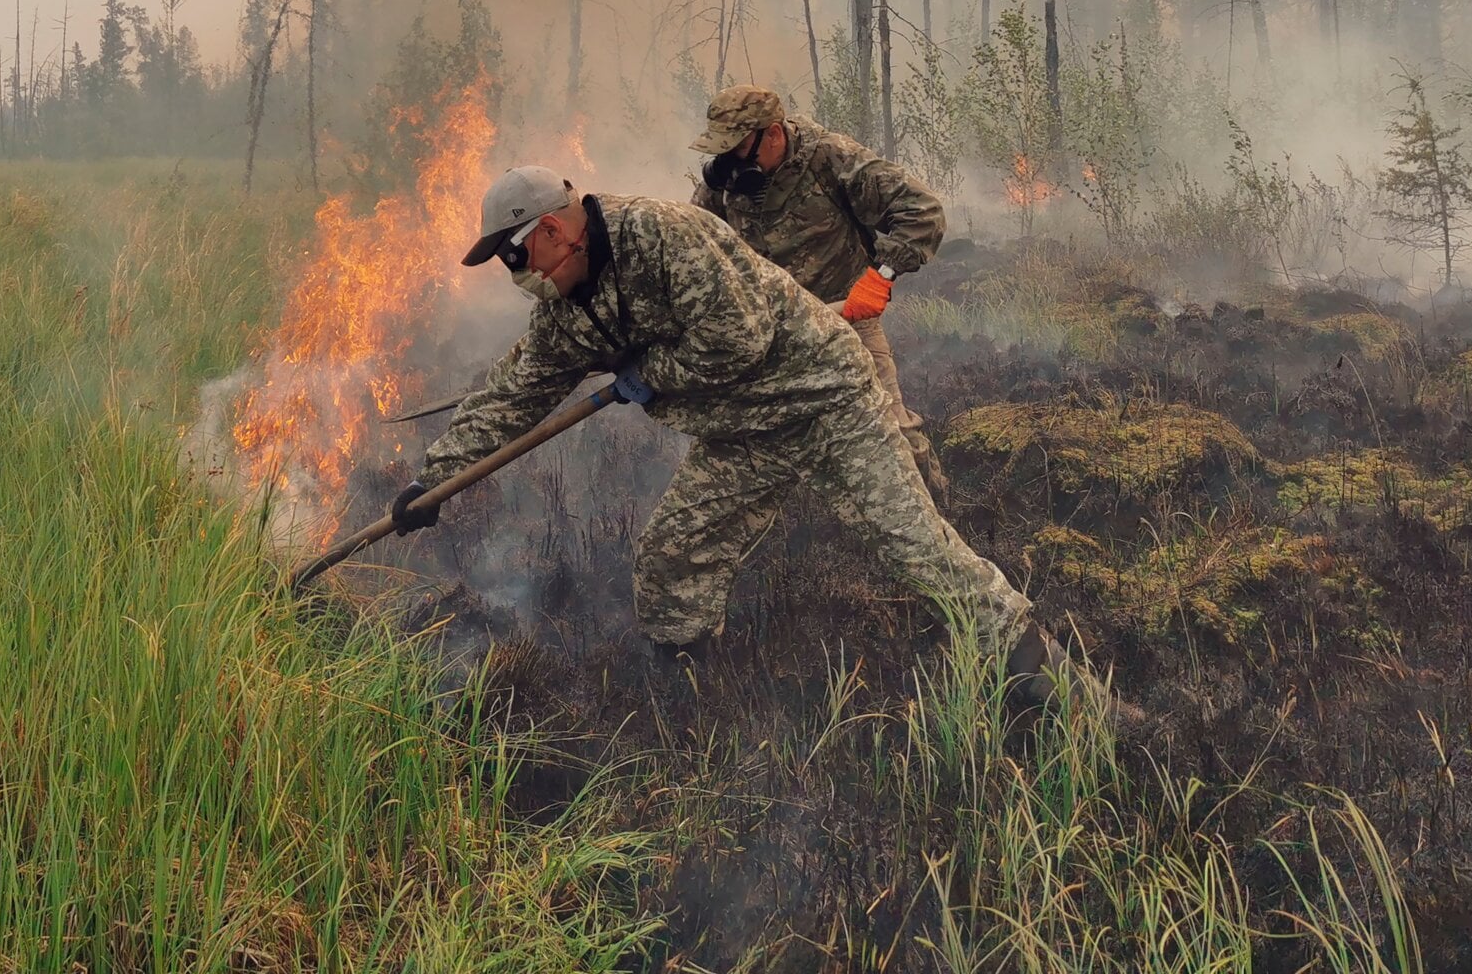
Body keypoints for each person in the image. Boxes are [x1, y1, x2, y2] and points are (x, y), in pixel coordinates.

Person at [388, 164, 1093, 709]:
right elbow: (515, 391)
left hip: (824, 398)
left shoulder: (662, 236)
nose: (520, 276)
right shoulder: (568, 309)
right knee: (672, 561)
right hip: (747, 431)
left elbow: (739, 338)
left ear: (547, 229)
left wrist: (649, 372)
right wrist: (435, 479)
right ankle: (698, 705)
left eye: (515, 258)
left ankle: (1060, 690)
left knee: (914, 546)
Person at [691, 84, 950, 502]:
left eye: (738, 149)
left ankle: (943, 524)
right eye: (722, 152)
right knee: (743, 452)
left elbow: (923, 211)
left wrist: (879, 278)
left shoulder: (831, 158)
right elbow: (696, 241)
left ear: (773, 133)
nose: (730, 163)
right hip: (768, 334)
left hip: (844, 323)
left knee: (892, 434)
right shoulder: (728, 180)